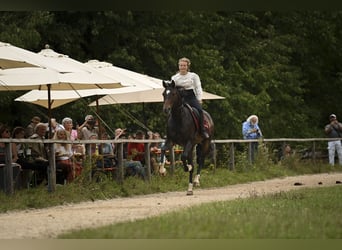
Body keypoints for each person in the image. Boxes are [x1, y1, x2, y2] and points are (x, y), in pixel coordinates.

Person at [171, 57, 209, 139]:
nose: (182, 67)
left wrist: (199, 98)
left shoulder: (193, 76)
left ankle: (202, 130)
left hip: (190, 97)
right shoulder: (174, 78)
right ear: (178, 66)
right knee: (171, 112)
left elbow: (198, 87)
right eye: (181, 65)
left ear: (188, 66)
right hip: (180, 98)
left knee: (199, 110)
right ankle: (170, 132)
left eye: (184, 65)